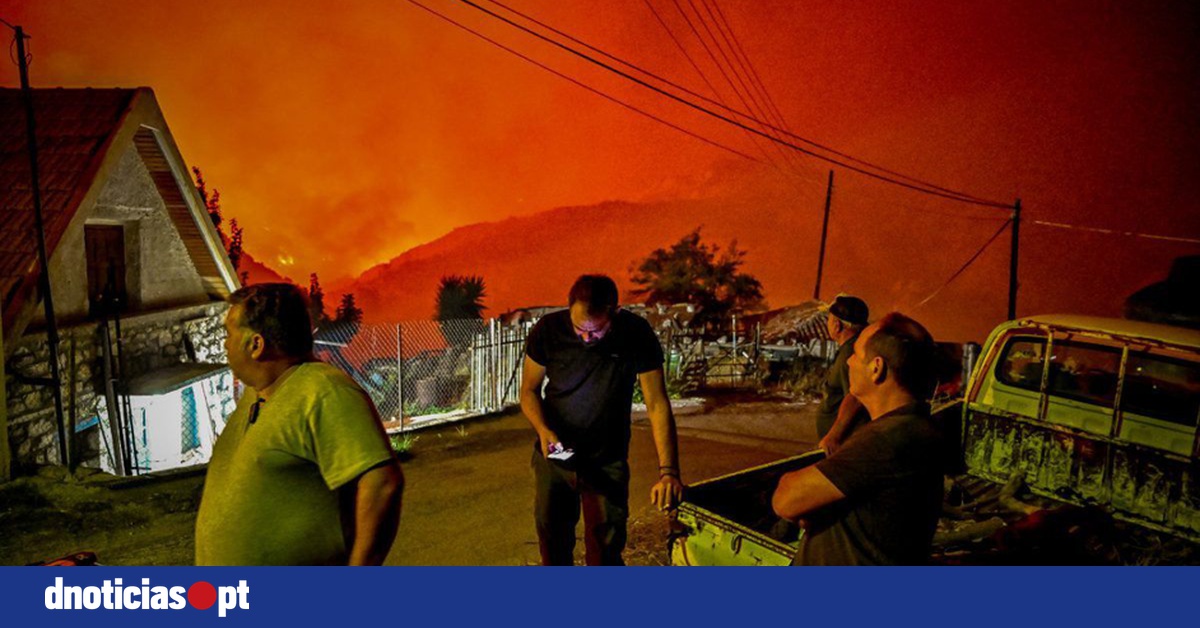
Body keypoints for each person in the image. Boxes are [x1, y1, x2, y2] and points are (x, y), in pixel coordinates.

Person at [195, 283, 404, 565]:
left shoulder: (324, 391)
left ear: (256, 345)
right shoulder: (258, 392)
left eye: (228, 334)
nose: (224, 344)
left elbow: (381, 483)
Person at [520, 274, 683, 566]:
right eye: (579, 329)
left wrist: (668, 471)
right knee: (553, 547)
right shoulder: (548, 330)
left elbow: (657, 403)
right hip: (554, 457)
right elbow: (529, 392)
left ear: (614, 312)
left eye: (596, 332)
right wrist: (543, 430)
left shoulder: (636, 334)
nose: (586, 338)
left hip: (607, 460)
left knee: (605, 552)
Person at [772, 312, 944, 565]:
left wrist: (801, 496)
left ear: (876, 368)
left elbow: (785, 500)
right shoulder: (914, 427)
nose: (849, 361)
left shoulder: (887, 440)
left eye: (856, 354)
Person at [815, 295, 872, 454]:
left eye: (828, 320)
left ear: (836, 325)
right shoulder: (855, 347)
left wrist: (834, 436)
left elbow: (856, 396)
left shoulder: (850, 353)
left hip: (845, 444)